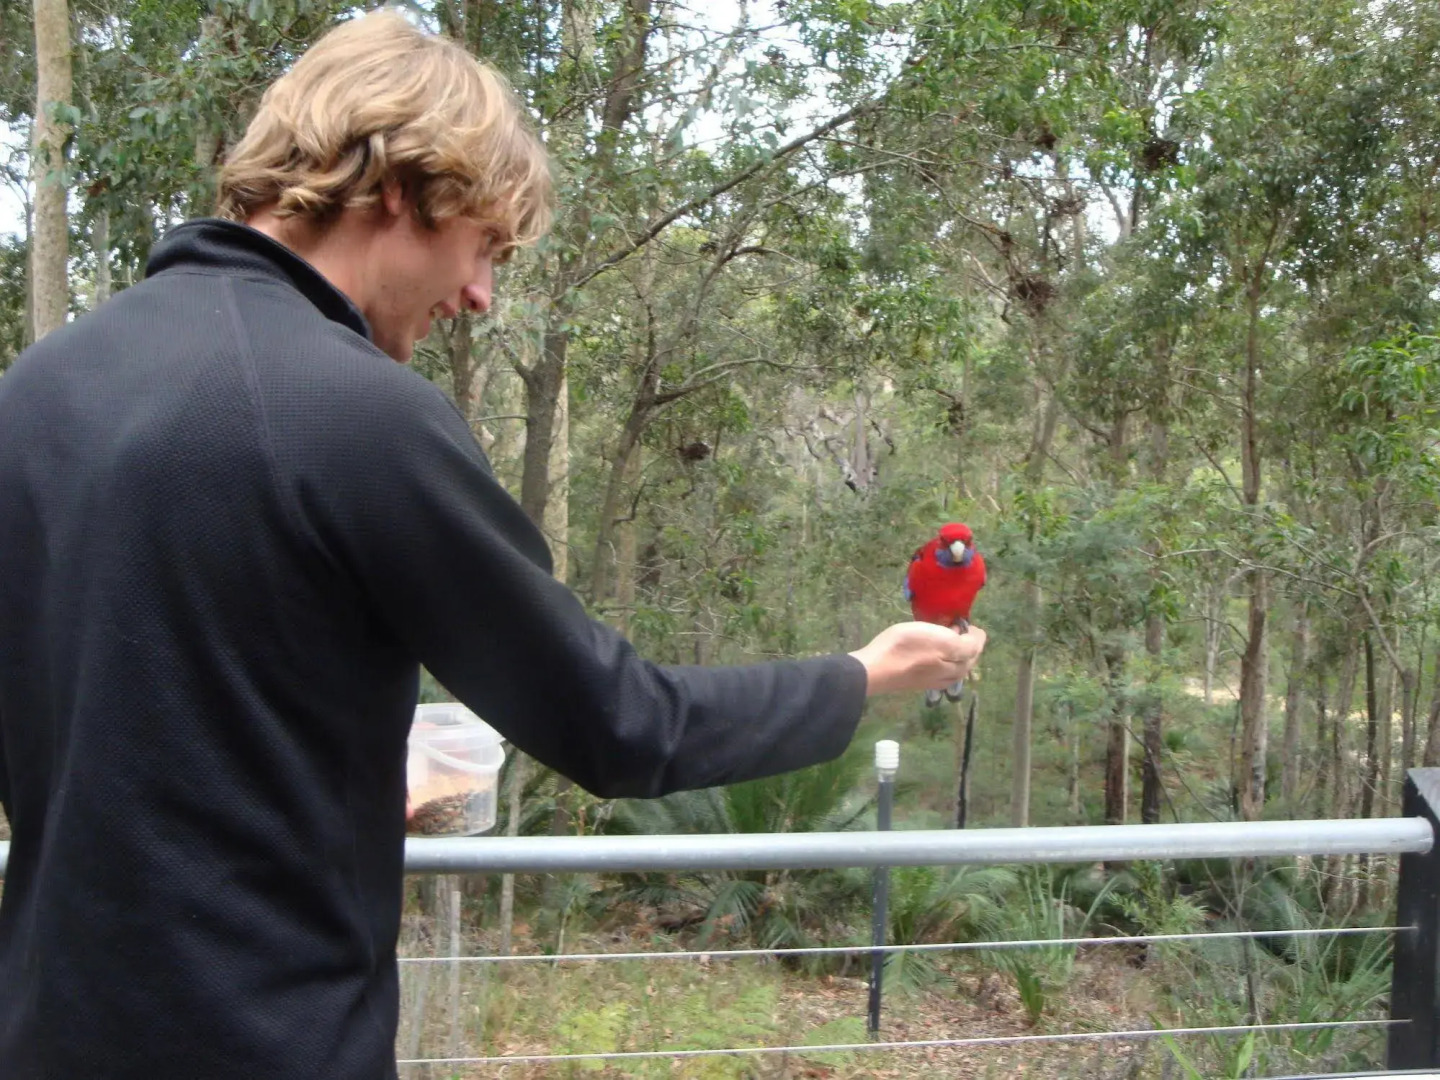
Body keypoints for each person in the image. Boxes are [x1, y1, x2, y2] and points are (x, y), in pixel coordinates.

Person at [0, 11, 985, 1079]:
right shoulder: (356, 415)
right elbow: (619, 725)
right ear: (397, 190)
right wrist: (858, 678)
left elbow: (127, 737)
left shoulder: (39, 391)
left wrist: (332, 774)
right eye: (484, 246)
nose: (479, 297)